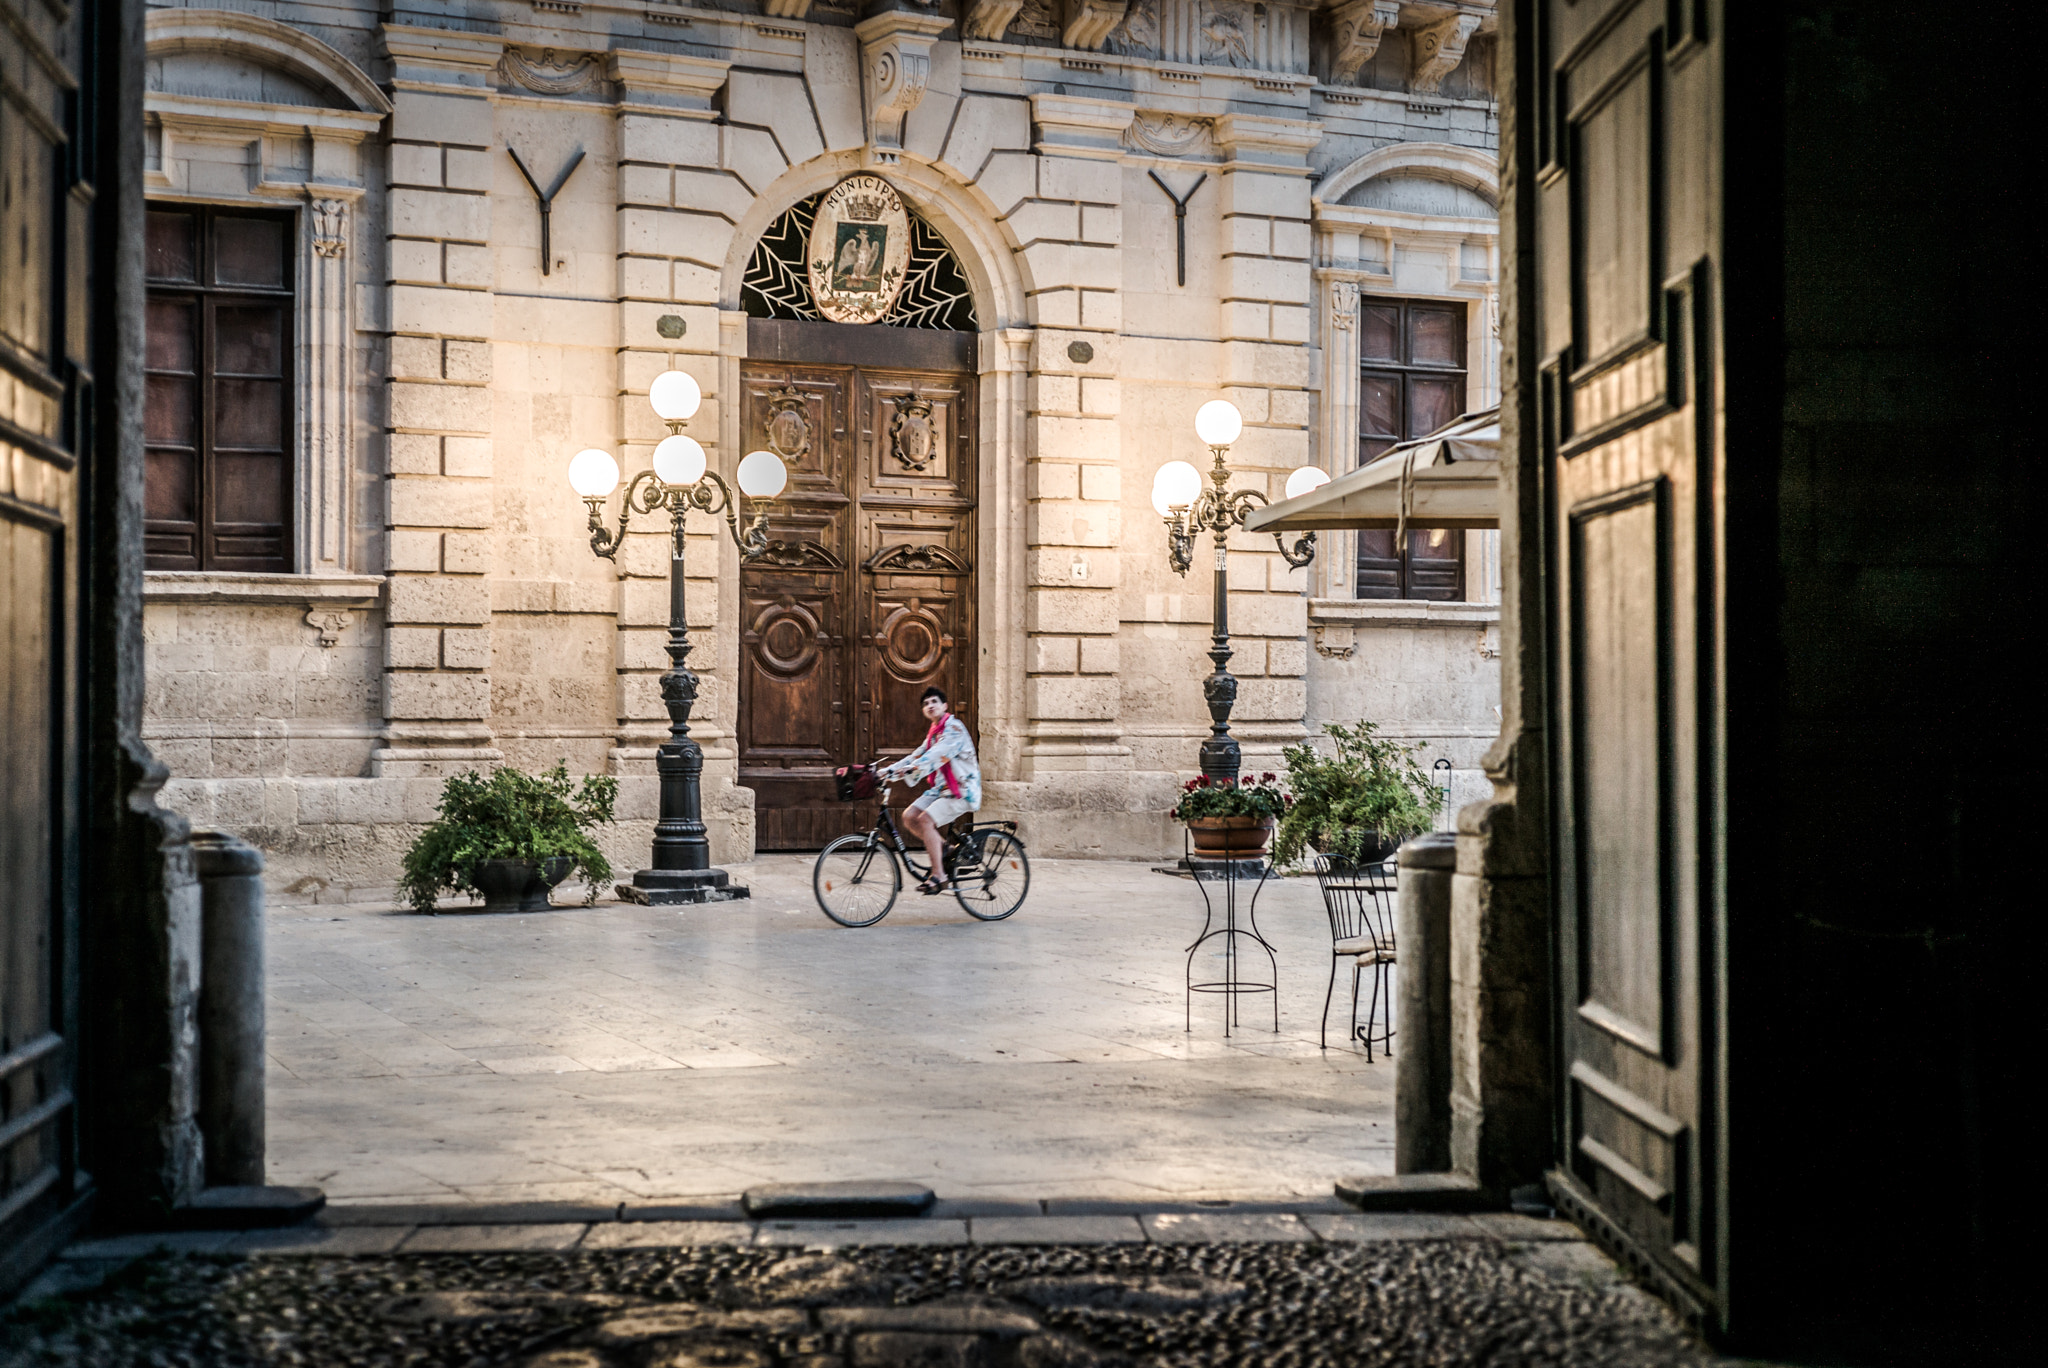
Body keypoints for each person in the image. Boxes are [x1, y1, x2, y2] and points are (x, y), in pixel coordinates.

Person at [880, 686, 981, 893]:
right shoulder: (935, 733)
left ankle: (939, 876)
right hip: (943, 789)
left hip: (962, 790)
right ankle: (945, 849)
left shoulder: (954, 728)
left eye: (934, 701)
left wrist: (913, 768)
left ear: (945, 706)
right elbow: (917, 755)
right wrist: (887, 771)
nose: (930, 706)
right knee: (910, 816)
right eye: (926, 704)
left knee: (925, 820)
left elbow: (938, 753)